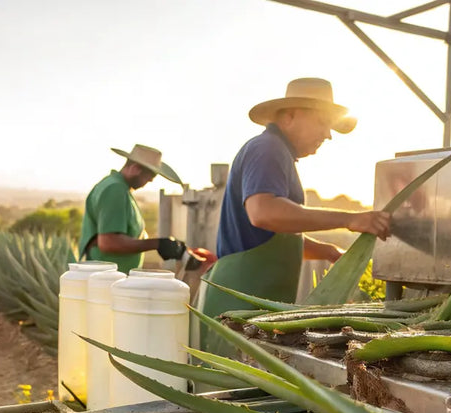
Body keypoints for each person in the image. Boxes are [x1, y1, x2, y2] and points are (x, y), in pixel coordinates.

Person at [198, 78, 392, 351]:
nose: (328, 135)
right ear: (290, 115)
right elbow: (263, 213)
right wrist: (349, 219)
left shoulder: (276, 153)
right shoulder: (268, 148)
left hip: (250, 308)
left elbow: (268, 241)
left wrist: (325, 251)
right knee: (230, 390)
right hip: (238, 309)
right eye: (323, 123)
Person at [78, 144, 192, 273]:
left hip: (113, 279)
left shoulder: (116, 187)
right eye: (150, 176)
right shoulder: (115, 190)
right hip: (108, 280)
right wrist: (157, 244)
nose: (149, 181)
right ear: (135, 168)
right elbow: (109, 242)